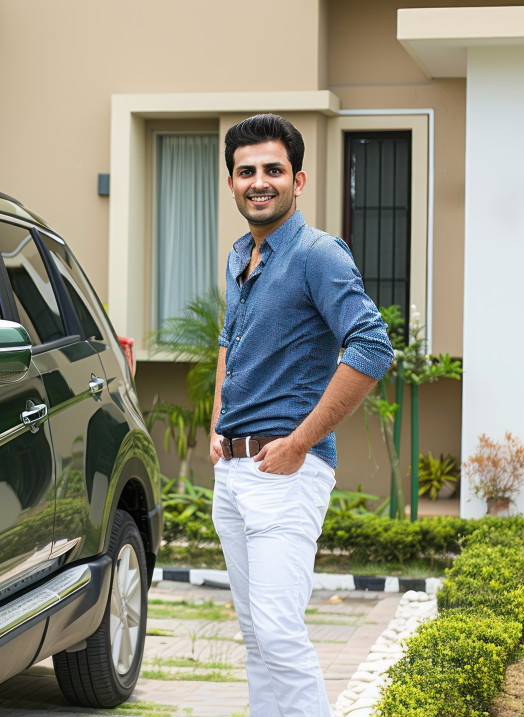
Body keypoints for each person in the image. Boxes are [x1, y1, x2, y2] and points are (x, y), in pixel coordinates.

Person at [208, 113, 393, 717]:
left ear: (299, 179)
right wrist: (217, 423)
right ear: (232, 182)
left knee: (279, 634)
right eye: (246, 172)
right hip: (235, 473)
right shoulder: (244, 256)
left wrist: (299, 443)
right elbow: (228, 345)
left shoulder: (316, 254)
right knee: (258, 640)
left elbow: (370, 346)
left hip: (286, 474)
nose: (259, 182)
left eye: (272, 170)